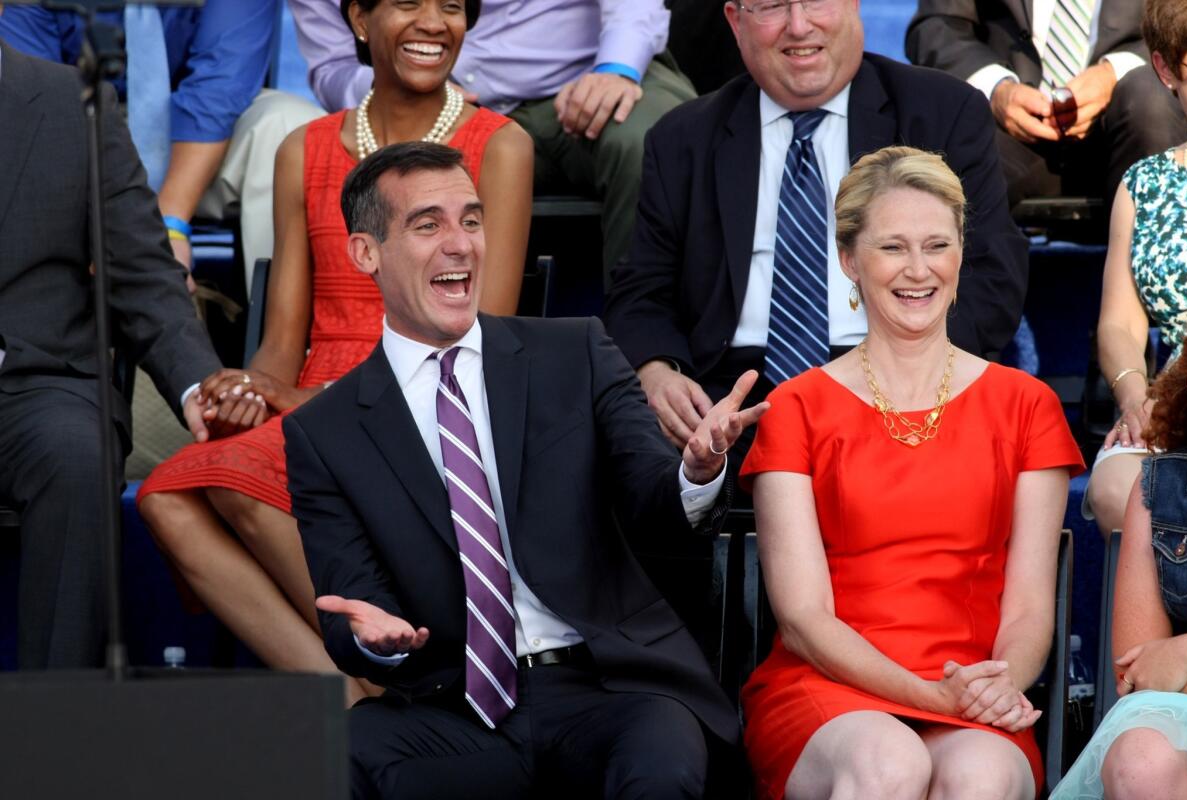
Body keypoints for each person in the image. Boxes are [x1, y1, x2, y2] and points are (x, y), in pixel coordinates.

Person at [284, 141, 759, 799]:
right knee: (339, 757)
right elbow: (349, 603)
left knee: (662, 758)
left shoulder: (575, 353)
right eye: (429, 225)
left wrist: (696, 470)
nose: (461, 245)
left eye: (471, 221)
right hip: (455, 709)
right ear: (367, 252)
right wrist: (380, 641)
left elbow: (655, 499)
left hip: (608, 687)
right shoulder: (324, 431)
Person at [135, 0, 533, 705]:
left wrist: (304, 402)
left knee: (228, 478)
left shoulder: (500, 144)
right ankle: (350, 698)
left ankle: (390, 661)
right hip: (315, 406)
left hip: (436, 406)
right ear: (356, 17)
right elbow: (285, 341)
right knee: (167, 494)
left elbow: (483, 341)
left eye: (452, 7)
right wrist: (248, 387)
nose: (434, 23)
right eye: (409, 3)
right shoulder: (306, 147)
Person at [738, 146, 1084, 800]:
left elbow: (1031, 604)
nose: (919, 270)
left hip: (977, 686)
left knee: (979, 777)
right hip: (830, 688)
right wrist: (928, 694)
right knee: (888, 765)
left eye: (937, 245)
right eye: (893, 248)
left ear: (960, 255)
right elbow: (805, 619)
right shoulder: (796, 406)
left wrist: (995, 687)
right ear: (850, 261)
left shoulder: (1026, 405)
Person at [603, 0, 1027, 473]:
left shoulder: (941, 112)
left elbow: (993, 275)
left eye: (815, 1)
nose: (799, 26)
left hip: (899, 379)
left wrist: (910, 375)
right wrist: (657, 372)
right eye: (773, 7)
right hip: (730, 399)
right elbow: (640, 291)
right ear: (734, 21)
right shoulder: (683, 138)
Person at [0, 33, 224, 668]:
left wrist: (197, 385)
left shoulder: (75, 102)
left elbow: (141, 271)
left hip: (34, 382)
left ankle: (55, 731)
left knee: (77, 452)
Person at [287, 0, 698, 282]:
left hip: (584, 72)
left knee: (652, 143)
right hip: (432, 99)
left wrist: (617, 66)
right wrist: (409, 85)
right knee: (411, 175)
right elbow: (334, 67)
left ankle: (649, 362)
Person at [0, 0, 324, 293]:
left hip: (198, 133)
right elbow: (40, 101)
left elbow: (220, 85)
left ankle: (281, 339)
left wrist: (168, 229)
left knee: (289, 127)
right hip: (82, 123)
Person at [1052, 305, 1187, 799]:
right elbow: (1138, 677)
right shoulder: (1159, 489)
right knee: (1142, 760)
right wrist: (1168, 663)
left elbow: (1168, 665)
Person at [1082, 0, 1187, 537]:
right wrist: (1135, 398)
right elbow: (1120, 324)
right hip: (1178, 399)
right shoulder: (1144, 184)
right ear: (1166, 70)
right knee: (1114, 490)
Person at [906, 0, 1187, 207]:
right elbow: (938, 25)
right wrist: (996, 89)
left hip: (1134, 122)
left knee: (1150, 100)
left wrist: (1114, 73)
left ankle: (1155, 282)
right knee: (954, 142)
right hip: (1013, 129)